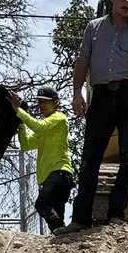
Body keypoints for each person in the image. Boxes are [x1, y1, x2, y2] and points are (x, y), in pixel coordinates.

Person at [69, 0, 128, 226]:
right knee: (90, 156)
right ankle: (81, 218)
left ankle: (117, 215)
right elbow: (83, 62)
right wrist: (77, 93)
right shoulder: (93, 28)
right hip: (102, 95)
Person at [18, 85, 74, 232]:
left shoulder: (59, 118)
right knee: (56, 218)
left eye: (45, 101)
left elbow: (39, 127)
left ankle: (62, 231)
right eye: (39, 101)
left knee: (42, 205)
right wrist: (20, 123)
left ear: (56, 102)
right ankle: (63, 241)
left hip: (59, 172)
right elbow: (26, 144)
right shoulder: (45, 128)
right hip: (55, 177)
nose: (41, 105)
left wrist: (19, 112)